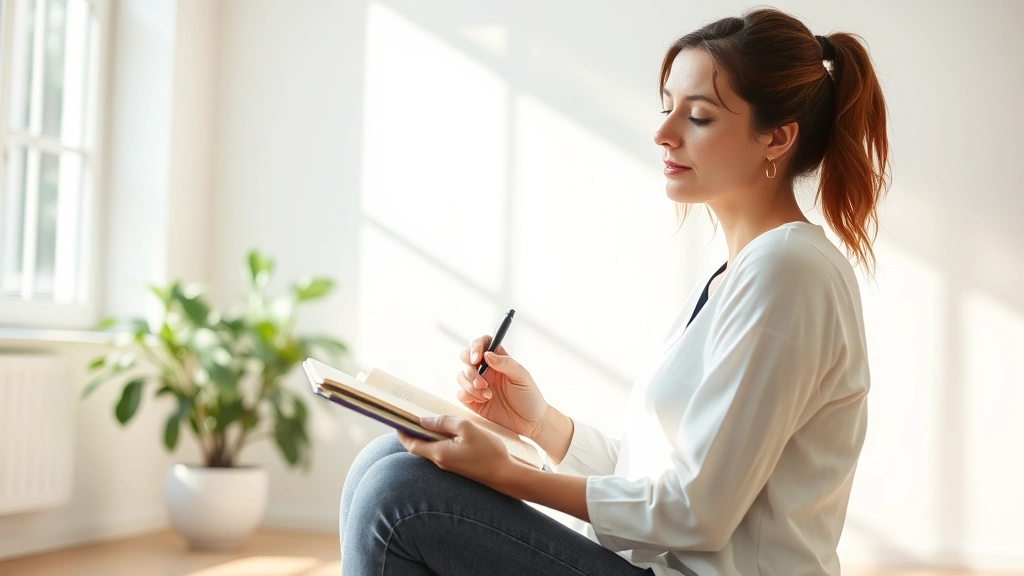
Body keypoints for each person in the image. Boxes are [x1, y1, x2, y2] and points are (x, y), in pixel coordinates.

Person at [339, 7, 889, 576]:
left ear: (776, 137)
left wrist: (503, 471)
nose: (663, 133)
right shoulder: (736, 275)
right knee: (386, 459)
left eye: (698, 117)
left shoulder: (788, 272)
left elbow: (696, 513)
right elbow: (653, 478)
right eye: (667, 106)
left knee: (398, 496)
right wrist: (538, 424)